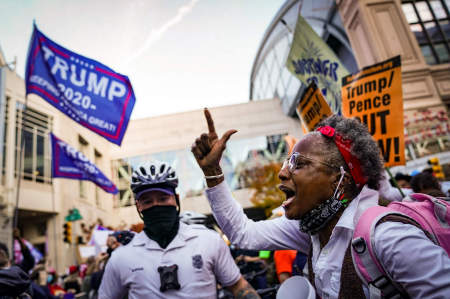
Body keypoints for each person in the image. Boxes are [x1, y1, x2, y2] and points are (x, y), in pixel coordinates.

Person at [191, 109, 450, 298]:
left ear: (341, 179)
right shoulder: (310, 230)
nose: (283, 173)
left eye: (299, 164)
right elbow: (243, 234)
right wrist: (213, 173)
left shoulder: (387, 236)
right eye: (286, 163)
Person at [99, 162, 260, 299]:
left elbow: (238, 286)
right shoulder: (121, 258)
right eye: (147, 201)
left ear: (176, 200)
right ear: (138, 207)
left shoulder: (208, 241)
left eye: (163, 198)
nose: (156, 206)